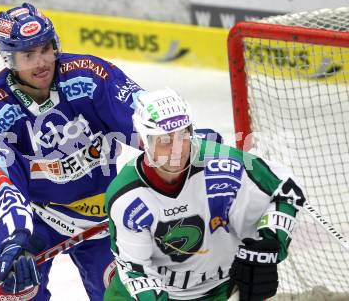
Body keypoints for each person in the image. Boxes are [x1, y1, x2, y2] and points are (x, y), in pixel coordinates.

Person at [0, 2, 146, 300]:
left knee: (128, 294)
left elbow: (148, 125)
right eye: (28, 55)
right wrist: (16, 239)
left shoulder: (90, 76)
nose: (41, 62)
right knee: (7, 293)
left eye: (46, 48)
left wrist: (185, 150)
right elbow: (3, 187)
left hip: (100, 218)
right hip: (33, 220)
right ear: (9, 59)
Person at [104, 88, 306, 301]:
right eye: (165, 140)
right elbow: (137, 272)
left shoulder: (223, 165)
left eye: (183, 135)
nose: (177, 150)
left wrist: (270, 242)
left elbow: (286, 190)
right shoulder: (127, 197)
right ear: (144, 141)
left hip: (219, 290)